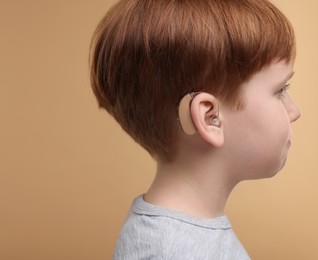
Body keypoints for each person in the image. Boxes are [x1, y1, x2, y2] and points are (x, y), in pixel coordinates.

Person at [89, 0, 300, 259]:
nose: (294, 111)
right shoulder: (169, 251)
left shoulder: (179, 236)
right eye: (280, 90)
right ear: (210, 117)